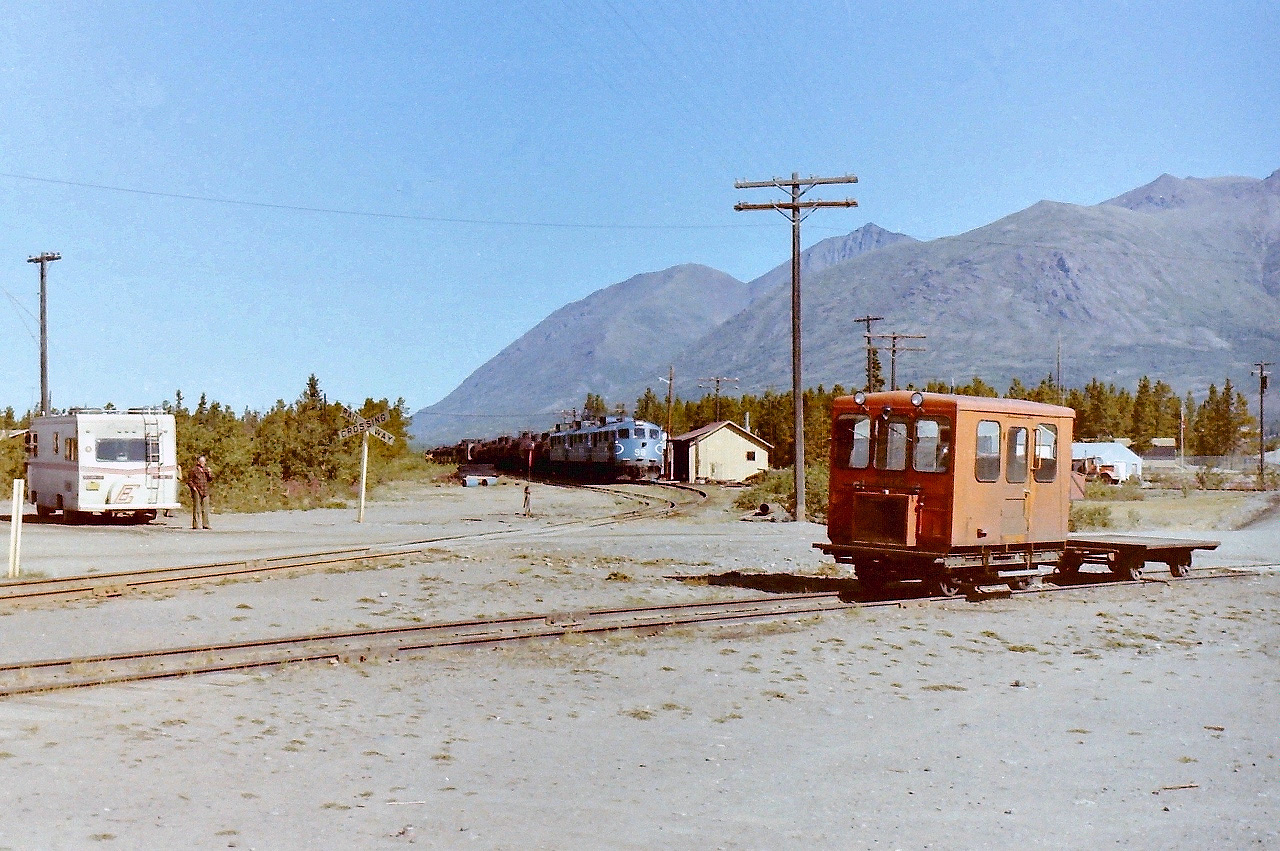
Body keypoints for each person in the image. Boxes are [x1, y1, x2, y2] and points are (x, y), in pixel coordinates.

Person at [187, 455, 214, 529]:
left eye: (204, 461)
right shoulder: (193, 470)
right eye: (201, 461)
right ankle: (196, 524)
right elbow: (189, 481)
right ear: (198, 462)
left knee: (205, 508)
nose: (203, 463)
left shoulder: (205, 470)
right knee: (197, 509)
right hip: (197, 490)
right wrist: (194, 488)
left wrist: (209, 473)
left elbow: (210, 479)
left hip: (205, 490)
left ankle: (206, 524)